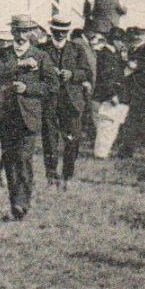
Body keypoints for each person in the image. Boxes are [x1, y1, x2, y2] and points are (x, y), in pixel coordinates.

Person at [0, 13, 58, 220]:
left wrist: (28, 88)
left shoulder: (41, 55)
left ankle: (22, 203)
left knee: (24, 159)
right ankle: (14, 205)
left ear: (32, 33)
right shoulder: (4, 54)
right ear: (12, 32)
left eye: (26, 30)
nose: (22, 35)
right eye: (18, 30)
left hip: (29, 116)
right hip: (7, 115)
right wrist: (17, 66)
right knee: (9, 161)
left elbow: (52, 85)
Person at [41, 15, 95, 187]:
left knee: (73, 139)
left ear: (68, 32)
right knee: (49, 139)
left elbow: (87, 73)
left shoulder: (77, 49)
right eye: (57, 31)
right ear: (51, 31)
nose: (60, 35)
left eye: (64, 32)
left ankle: (67, 175)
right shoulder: (42, 49)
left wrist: (72, 74)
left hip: (71, 100)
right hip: (49, 99)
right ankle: (51, 175)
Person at [89, 29, 129, 159]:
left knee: (111, 126)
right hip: (107, 96)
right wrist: (112, 94)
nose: (123, 44)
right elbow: (105, 76)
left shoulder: (112, 54)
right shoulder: (106, 54)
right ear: (116, 41)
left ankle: (103, 152)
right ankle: (100, 154)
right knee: (106, 126)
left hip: (109, 94)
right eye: (121, 41)